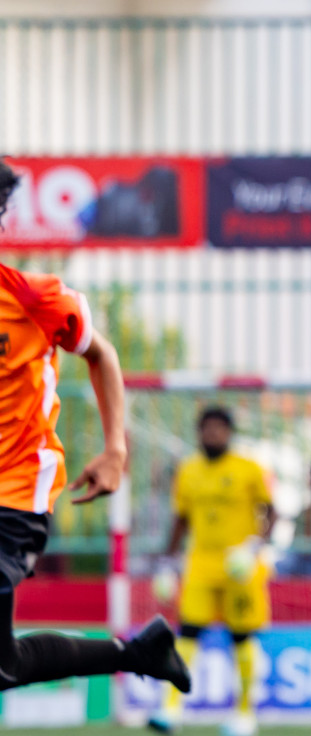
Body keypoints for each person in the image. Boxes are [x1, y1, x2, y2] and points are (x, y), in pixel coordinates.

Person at [0, 160, 188, 696]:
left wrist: (115, 448)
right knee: (2, 667)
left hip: (14, 495)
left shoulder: (33, 298)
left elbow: (101, 355)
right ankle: (139, 653)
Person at [154, 407, 274, 736]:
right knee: (188, 633)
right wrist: (167, 561)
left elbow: (272, 512)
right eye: (207, 429)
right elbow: (181, 519)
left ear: (229, 433)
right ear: (199, 433)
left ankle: (245, 712)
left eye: (219, 429)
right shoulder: (188, 470)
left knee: (242, 638)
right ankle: (171, 707)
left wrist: (254, 546)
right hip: (200, 564)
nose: (213, 435)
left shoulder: (249, 469)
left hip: (240, 567)